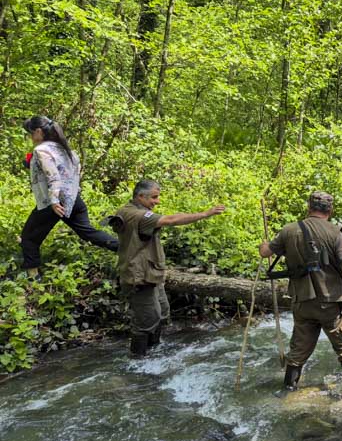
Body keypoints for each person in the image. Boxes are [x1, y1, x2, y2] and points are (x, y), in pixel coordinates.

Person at [259, 191, 342, 394]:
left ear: (308, 208)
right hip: (331, 302)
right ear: (330, 210)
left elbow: (265, 252)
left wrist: (263, 245)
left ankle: (287, 390)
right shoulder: (334, 233)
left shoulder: (289, 230)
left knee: (298, 350)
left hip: (301, 302)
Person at [109, 180, 225, 356]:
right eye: (154, 197)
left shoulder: (137, 211)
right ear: (140, 196)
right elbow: (171, 219)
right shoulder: (137, 215)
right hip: (138, 276)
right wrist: (204, 214)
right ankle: (137, 360)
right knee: (148, 318)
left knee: (162, 312)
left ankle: (154, 352)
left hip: (151, 273)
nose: (157, 201)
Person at [20, 116, 119, 276]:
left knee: (29, 239)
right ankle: (125, 248)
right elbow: (73, 171)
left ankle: (33, 281)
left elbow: (54, 177)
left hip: (54, 203)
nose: (30, 137)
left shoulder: (41, 150)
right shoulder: (64, 148)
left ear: (39, 131)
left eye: (31, 133)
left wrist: (53, 202)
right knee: (88, 232)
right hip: (73, 200)